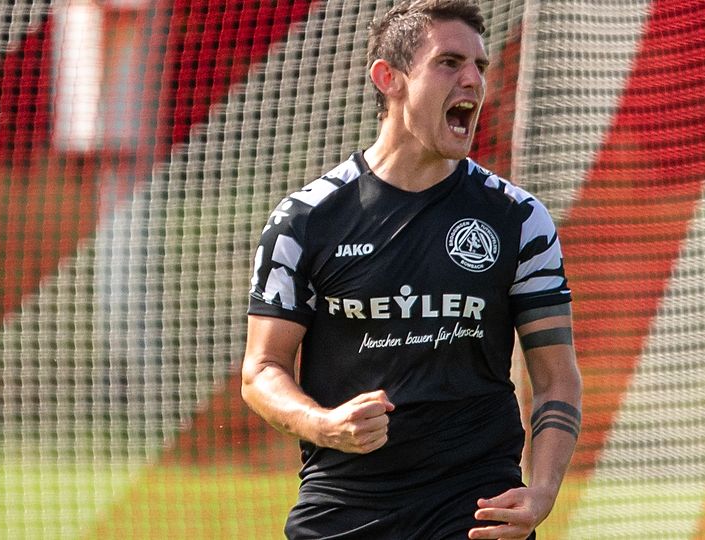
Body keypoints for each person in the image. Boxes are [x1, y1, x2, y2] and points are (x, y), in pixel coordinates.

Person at [241, 1, 582, 538]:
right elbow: (261, 370)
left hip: (477, 509)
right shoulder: (305, 220)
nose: (473, 80)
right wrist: (325, 425)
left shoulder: (518, 218)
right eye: (449, 62)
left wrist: (541, 492)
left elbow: (557, 377)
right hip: (343, 505)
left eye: (480, 66)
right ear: (389, 78)